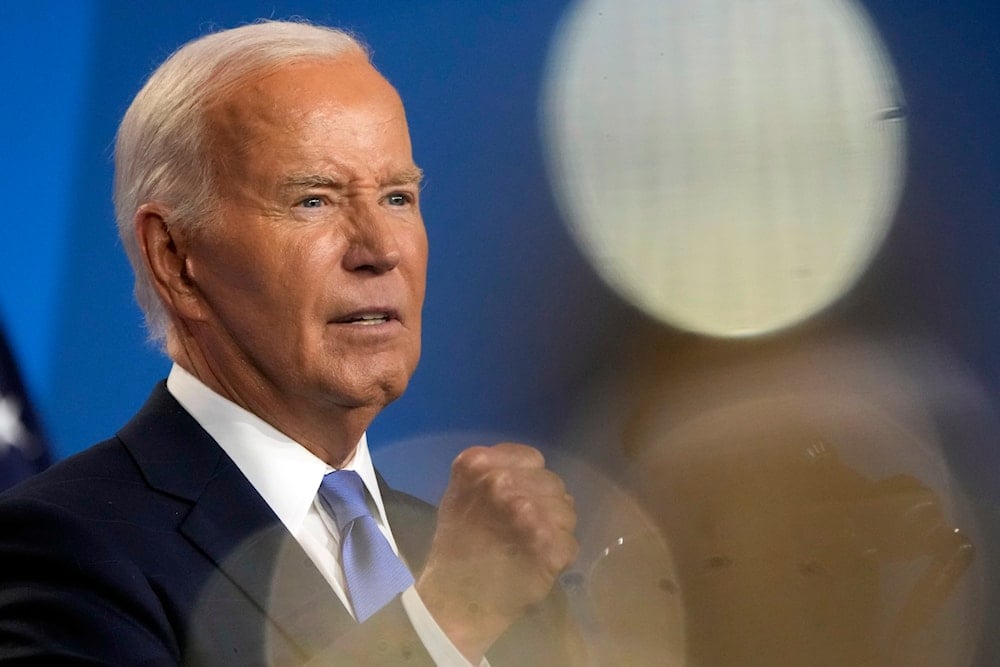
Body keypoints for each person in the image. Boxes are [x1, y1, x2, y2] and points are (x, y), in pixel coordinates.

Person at [0, 20, 579, 666]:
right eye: (313, 201)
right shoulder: (66, 547)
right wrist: (448, 616)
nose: (380, 249)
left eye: (397, 196)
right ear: (174, 255)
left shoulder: (491, 561)